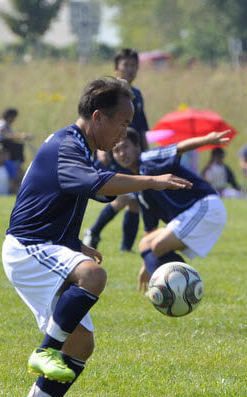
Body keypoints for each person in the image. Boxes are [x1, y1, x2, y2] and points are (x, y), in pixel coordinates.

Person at [2, 77, 192, 397]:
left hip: (45, 244)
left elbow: (54, 197)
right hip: (28, 248)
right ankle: (44, 351)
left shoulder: (78, 147)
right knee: (93, 276)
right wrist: (151, 181)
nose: (124, 132)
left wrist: (73, 242)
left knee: (82, 344)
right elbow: (97, 184)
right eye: (122, 122)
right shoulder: (66, 145)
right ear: (98, 117)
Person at [107, 127, 230, 290]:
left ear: (138, 146)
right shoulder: (139, 183)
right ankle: (174, 292)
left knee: (158, 246)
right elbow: (150, 228)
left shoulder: (148, 158)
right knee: (145, 244)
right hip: (188, 214)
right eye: (116, 151)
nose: (122, 153)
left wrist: (207, 140)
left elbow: (178, 148)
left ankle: (184, 290)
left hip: (205, 206)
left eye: (125, 147)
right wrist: (146, 265)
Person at [82, 48, 149, 252]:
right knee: (125, 195)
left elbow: (142, 125)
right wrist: (101, 150)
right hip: (114, 148)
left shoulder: (136, 95)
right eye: (126, 65)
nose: (130, 69)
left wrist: (145, 151)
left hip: (131, 151)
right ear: (116, 68)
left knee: (133, 199)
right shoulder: (109, 93)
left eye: (133, 65)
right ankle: (93, 231)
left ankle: (125, 248)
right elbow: (95, 118)